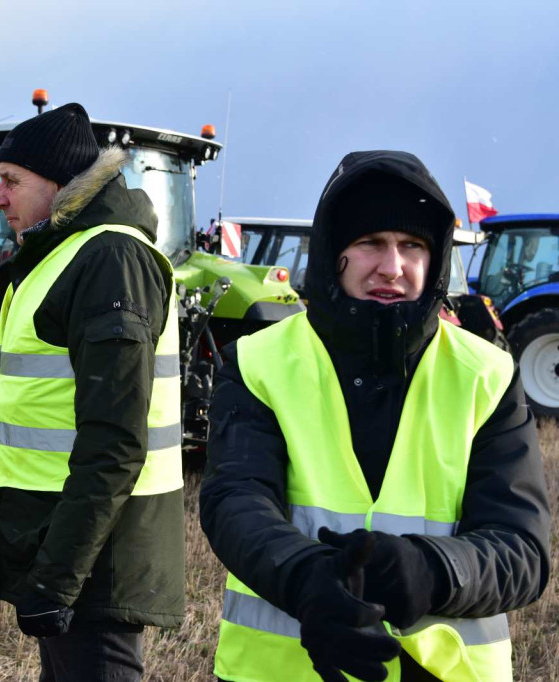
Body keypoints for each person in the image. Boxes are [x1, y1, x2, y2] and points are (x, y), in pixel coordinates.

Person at [200, 151, 551, 682]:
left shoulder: (488, 374)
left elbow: (521, 548)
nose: (392, 266)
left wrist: (430, 571)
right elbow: (236, 503)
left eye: (413, 246)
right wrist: (307, 579)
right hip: (280, 670)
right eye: (369, 243)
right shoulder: (257, 362)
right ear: (331, 252)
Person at [0, 103, 185, 681]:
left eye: (11, 181)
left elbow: (115, 440)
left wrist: (58, 574)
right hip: (70, 536)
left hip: (98, 551)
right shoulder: (67, 255)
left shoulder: (110, 259)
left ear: (63, 185)